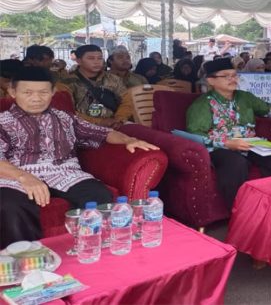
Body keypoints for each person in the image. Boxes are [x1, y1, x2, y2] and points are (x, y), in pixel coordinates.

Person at [0, 66, 158, 247]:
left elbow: (101, 133)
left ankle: (89, 247)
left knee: (98, 196)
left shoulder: (65, 118)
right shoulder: (3, 122)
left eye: (43, 92)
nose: (36, 98)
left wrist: (128, 140)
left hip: (65, 173)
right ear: (13, 92)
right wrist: (24, 177)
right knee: (9, 206)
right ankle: (25, 255)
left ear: (53, 92)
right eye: (27, 92)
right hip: (17, 177)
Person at [186, 59, 271, 209]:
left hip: (250, 143)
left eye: (234, 75)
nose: (232, 79)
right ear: (211, 80)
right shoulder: (202, 104)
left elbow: (270, 108)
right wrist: (226, 143)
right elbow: (195, 134)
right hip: (220, 148)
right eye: (226, 76)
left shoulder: (245, 97)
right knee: (236, 163)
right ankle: (240, 210)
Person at [59, 45, 132, 128]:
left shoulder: (113, 79)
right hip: (81, 127)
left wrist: (119, 119)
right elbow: (66, 111)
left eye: (100, 58)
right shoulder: (67, 83)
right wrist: (99, 122)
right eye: (91, 58)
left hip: (115, 124)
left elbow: (127, 102)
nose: (97, 62)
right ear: (79, 61)